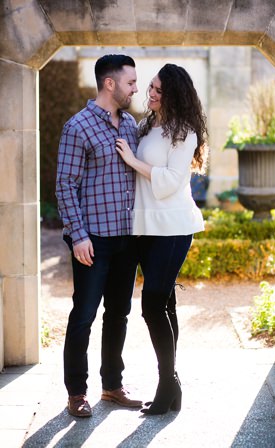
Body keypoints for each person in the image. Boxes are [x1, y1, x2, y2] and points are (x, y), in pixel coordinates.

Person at [114, 63, 207, 415]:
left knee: (151, 303)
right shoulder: (148, 126)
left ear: (174, 95)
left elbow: (168, 183)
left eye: (157, 90)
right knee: (165, 304)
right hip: (146, 229)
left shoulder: (185, 133)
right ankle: (172, 387)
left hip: (174, 227)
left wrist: (132, 159)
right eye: (150, 87)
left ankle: (167, 383)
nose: (150, 94)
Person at [56, 54, 143, 418]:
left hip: (126, 239)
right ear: (110, 84)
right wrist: (78, 236)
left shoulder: (131, 126)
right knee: (84, 316)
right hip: (93, 241)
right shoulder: (77, 127)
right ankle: (77, 392)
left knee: (119, 315)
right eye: (131, 82)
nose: (135, 88)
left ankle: (112, 386)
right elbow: (64, 184)